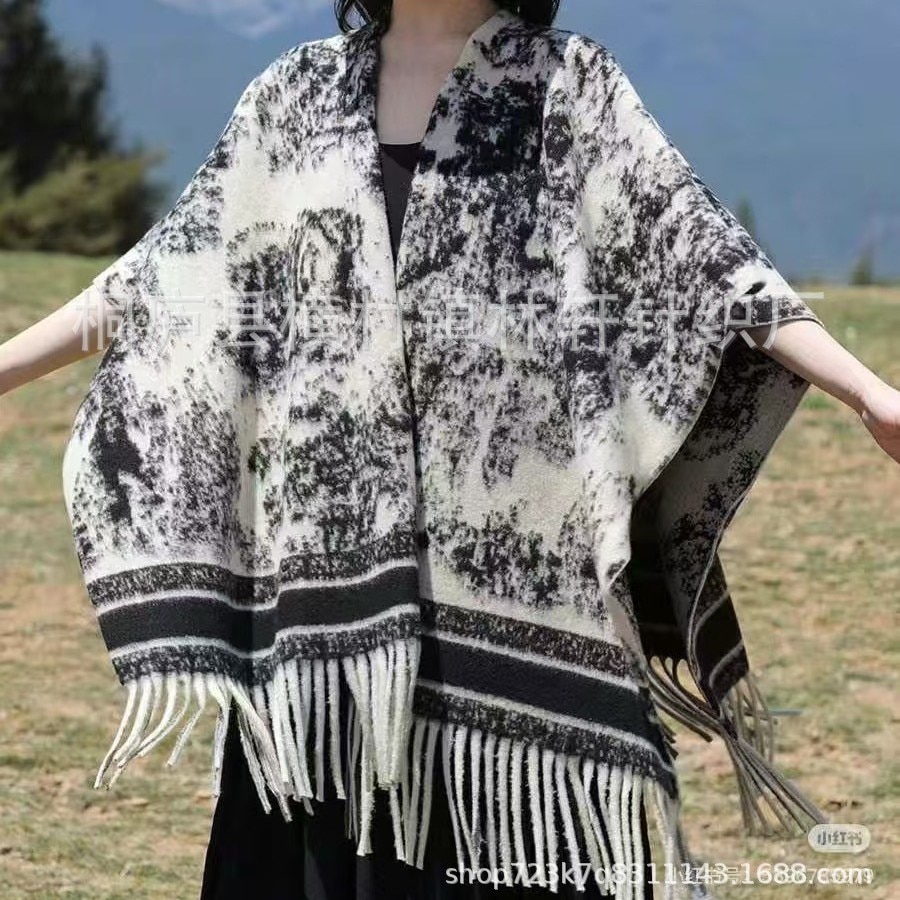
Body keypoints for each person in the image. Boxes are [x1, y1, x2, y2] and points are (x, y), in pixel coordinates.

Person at [0, 1, 898, 898]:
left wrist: (868, 392)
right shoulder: (294, 96)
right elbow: (154, 285)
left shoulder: (568, 87)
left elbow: (714, 267)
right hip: (321, 641)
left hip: (519, 627)